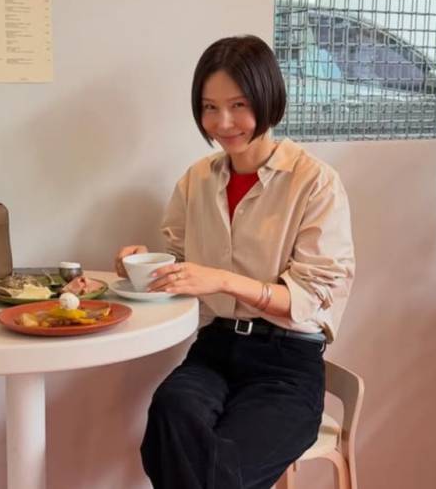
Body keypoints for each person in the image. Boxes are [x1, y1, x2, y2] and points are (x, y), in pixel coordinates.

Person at [114, 35, 355, 489]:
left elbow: (309, 298)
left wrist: (223, 280)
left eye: (238, 105)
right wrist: (146, 264)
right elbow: (184, 264)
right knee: (170, 416)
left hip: (286, 363)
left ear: (268, 98)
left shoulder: (315, 183)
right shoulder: (197, 180)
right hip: (214, 351)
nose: (222, 123)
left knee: (214, 468)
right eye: (209, 107)